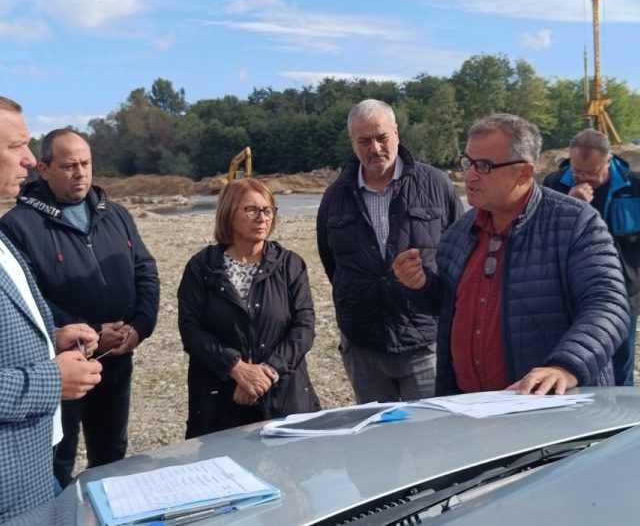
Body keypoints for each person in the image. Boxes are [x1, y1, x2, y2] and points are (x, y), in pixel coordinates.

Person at [393, 113, 629, 396]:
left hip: (549, 408)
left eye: (484, 166)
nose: (469, 175)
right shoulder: (458, 233)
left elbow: (608, 305)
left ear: (525, 173)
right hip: (470, 408)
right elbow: (448, 306)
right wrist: (421, 286)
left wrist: (566, 367)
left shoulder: (576, 223)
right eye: (468, 162)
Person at [0, 129, 159, 488]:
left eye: (86, 164)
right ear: (44, 169)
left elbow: (145, 271)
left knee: (112, 455)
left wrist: (139, 327)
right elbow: (27, 303)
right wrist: (90, 333)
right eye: (69, 166)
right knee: (58, 459)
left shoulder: (116, 214)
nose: (81, 173)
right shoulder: (18, 226)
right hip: (62, 365)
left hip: (117, 358)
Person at [316, 99, 464, 403]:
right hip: (363, 346)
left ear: (396, 133)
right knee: (377, 433)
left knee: (432, 431)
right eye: (364, 141)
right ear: (352, 142)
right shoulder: (335, 196)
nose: (375, 148)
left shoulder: (436, 184)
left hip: (425, 343)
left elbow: (460, 254)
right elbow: (331, 262)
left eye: (382, 137)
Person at [0, 97, 102, 523]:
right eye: (15, 146)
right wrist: (52, 378)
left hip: (33, 475)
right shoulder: (17, 225)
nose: (28, 160)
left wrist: (52, 338)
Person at [178, 178, 320, 437]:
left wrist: (267, 373)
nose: (262, 218)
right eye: (251, 210)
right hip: (220, 401)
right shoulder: (202, 267)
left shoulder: (290, 265)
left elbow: (304, 327)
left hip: (284, 398)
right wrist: (236, 368)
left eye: (268, 210)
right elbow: (191, 330)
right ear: (228, 214)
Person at [543, 129, 640, 386]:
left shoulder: (634, 187)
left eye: (592, 172)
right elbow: (541, 234)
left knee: (621, 367)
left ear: (608, 161)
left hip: (623, 294)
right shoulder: (555, 184)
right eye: (578, 172)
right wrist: (571, 204)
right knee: (575, 363)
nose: (584, 178)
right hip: (568, 294)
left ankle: (622, 412)